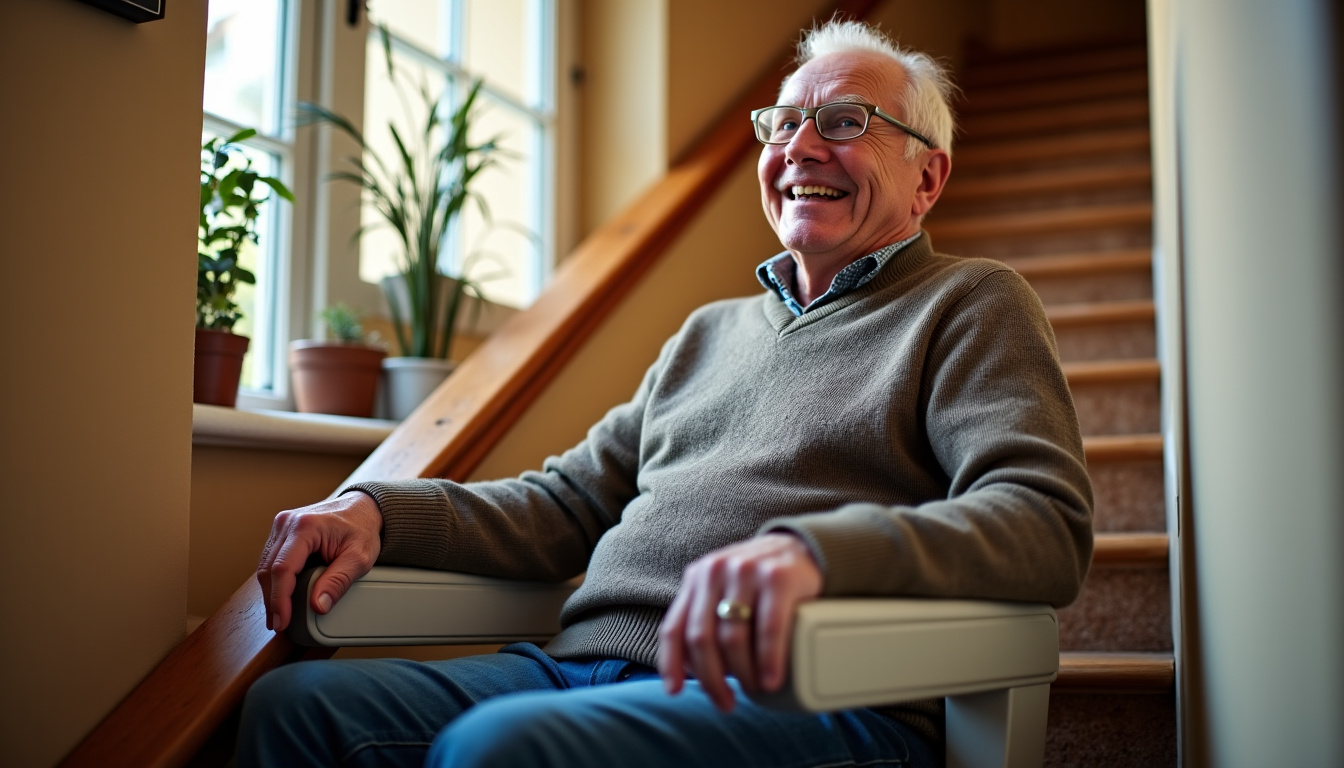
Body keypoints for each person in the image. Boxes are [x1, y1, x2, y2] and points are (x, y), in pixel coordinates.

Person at [239, 19, 1093, 768]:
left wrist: (819, 554)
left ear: (927, 179)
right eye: (784, 124)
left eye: (844, 122)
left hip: (805, 693)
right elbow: (567, 504)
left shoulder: (970, 303)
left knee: (503, 749)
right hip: (573, 670)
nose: (800, 147)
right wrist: (379, 512)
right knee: (297, 708)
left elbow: (1044, 522)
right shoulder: (707, 333)